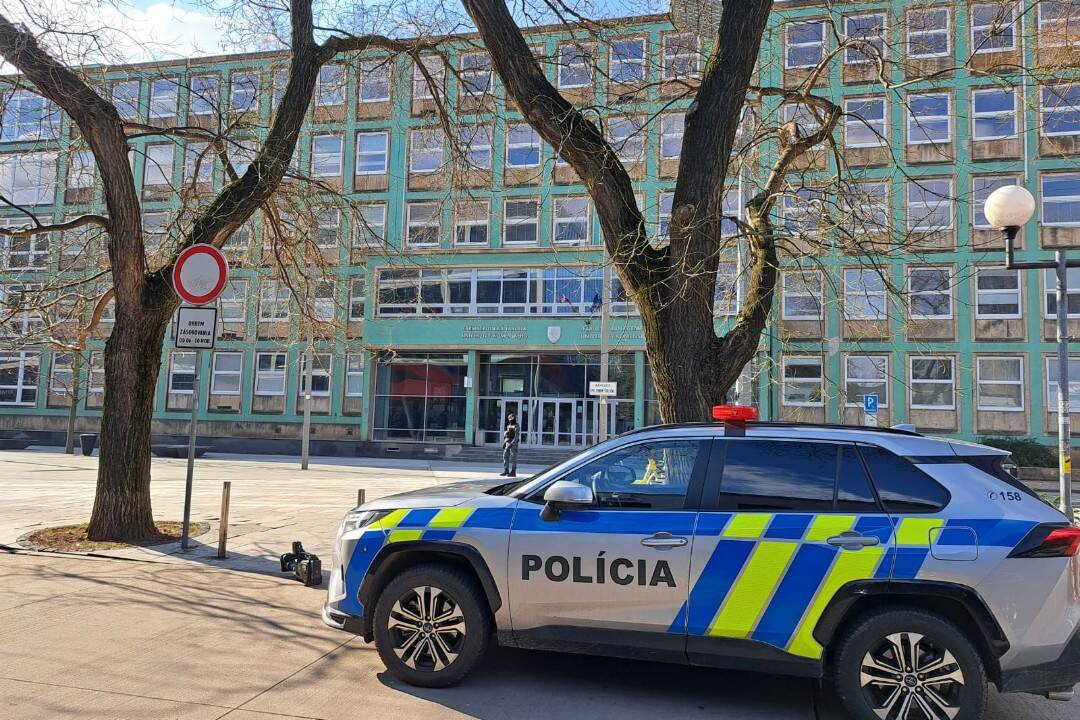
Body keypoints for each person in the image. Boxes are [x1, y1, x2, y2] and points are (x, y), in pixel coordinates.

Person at [500, 413, 519, 477]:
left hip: (514, 443)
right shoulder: (508, 425)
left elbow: (516, 436)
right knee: (505, 456)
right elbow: (507, 435)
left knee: (513, 458)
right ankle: (506, 470)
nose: (509, 419)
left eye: (511, 417)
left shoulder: (516, 425)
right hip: (508, 442)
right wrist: (505, 442)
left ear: (514, 418)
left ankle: (513, 472)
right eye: (509, 418)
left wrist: (512, 443)